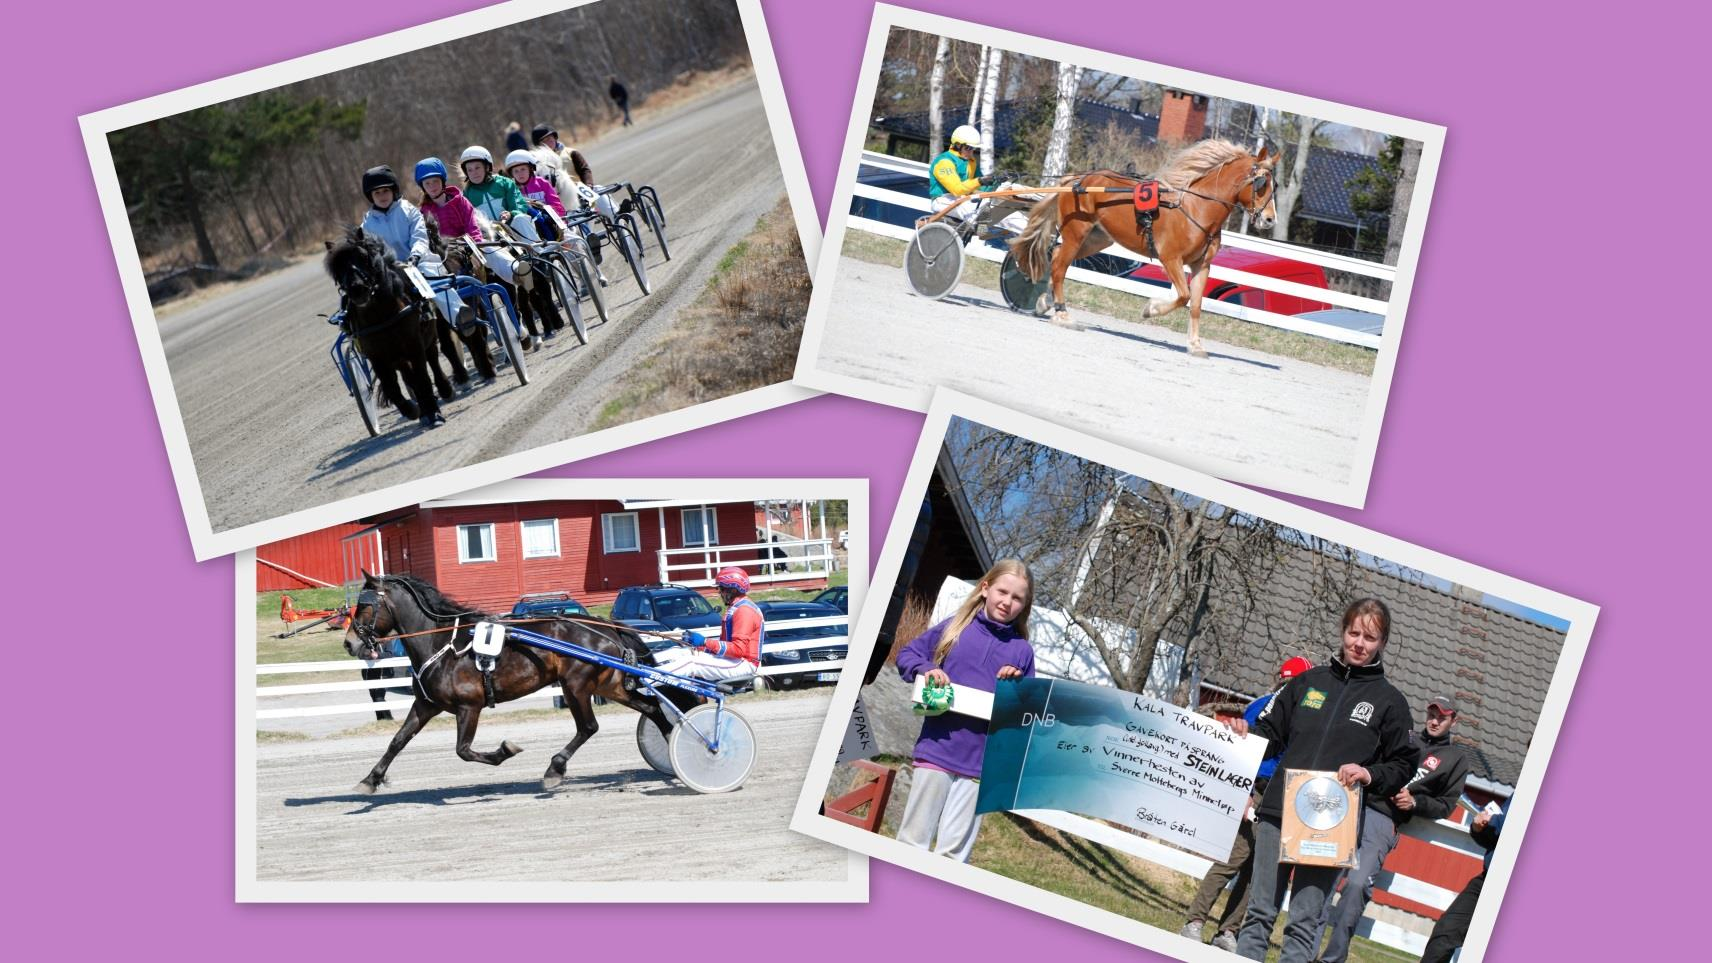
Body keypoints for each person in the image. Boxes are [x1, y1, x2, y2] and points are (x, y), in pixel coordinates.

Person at [1224, 598, 1416, 963]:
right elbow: (1270, 734)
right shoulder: (1306, 683)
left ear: (1383, 642)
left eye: (1370, 637)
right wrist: (1244, 735)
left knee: (1303, 923)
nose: (1359, 643)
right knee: (1259, 913)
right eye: (1353, 632)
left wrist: (1370, 774)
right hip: (1278, 812)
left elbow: (1404, 763)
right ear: (1343, 631)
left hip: (1331, 824)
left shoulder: (1390, 702)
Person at [893, 559, 1038, 862]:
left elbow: (1025, 714)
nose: (1007, 602)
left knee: (953, 857)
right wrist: (927, 669)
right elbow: (908, 655)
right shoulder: (955, 627)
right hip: (936, 750)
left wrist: (1015, 687)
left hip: (981, 767)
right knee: (910, 844)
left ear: (1024, 606)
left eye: (1017, 598)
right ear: (985, 588)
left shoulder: (1022, 652)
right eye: (1003, 592)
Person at [1311, 696, 1472, 963]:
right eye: (1431, 714)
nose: (1434, 721)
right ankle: (1305, 952)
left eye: (1441, 717)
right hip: (1353, 805)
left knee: (1357, 886)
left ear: (1454, 721)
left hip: (1385, 820)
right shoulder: (1404, 737)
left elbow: (1446, 805)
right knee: (1324, 878)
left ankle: (1332, 959)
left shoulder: (1456, 759)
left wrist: (1415, 802)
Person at [1181, 656, 1314, 952]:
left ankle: (1228, 930)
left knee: (1257, 871)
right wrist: (1242, 792)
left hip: (1280, 796)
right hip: (1254, 789)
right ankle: (1195, 920)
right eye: (1288, 682)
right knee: (1232, 859)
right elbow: (1240, 749)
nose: (1291, 687)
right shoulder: (1262, 706)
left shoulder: (1304, 716)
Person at [356, 165, 474, 332]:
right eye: (377, 193)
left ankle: (459, 314)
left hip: (419, 262)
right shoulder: (367, 224)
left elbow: (419, 237)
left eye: (385, 191)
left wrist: (415, 256)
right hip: (391, 272)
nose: (382, 196)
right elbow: (372, 252)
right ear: (371, 196)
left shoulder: (408, 210)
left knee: (431, 276)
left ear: (393, 190)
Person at [1418, 796, 1507, 963]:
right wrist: (1480, 828)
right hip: (1489, 878)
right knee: (1445, 933)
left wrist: (1496, 821)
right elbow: (1495, 839)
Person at [657, 567, 762, 683]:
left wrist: (704, 642)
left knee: (691, 663)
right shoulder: (737, 607)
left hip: (743, 664)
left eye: (721, 588)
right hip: (733, 660)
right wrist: (701, 647)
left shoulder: (744, 611)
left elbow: (738, 650)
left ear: (732, 590)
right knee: (680, 651)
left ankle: (644, 680)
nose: (719, 592)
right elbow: (726, 646)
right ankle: (642, 666)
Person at [927, 124, 1023, 233]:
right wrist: (980, 181)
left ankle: (1027, 231)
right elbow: (957, 190)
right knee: (969, 205)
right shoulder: (944, 162)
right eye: (968, 148)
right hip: (943, 200)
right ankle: (982, 231)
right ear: (957, 145)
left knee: (993, 204)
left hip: (962, 199)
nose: (971, 152)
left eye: (973, 149)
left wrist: (998, 181)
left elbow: (984, 189)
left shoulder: (971, 162)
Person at [531, 123, 594, 187]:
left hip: (580, 191)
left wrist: (588, 184)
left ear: (555, 138)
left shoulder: (571, 153)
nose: (549, 142)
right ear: (539, 145)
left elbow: (584, 170)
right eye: (544, 141)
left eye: (550, 138)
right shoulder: (537, 162)